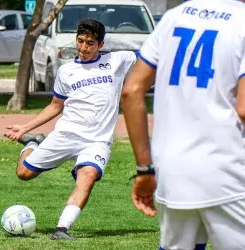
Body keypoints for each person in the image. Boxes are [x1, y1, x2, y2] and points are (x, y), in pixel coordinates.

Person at [121, 0, 245, 249]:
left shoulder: (172, 18)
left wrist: (145, 169)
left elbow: (131, 90)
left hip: (172, 171)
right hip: (229, 172)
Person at [4, 18, 137, 240]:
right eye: (81, 41)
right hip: (65, 134)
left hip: (97, 141)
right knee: (24, 173)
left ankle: (62, 229)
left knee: (88, 175)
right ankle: (32, 142)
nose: (84, 47)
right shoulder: (67, 71)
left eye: (90, 43)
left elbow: (155, 58)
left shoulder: (119, 60)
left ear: (101, 45)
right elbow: (55, 106)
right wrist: (25, 128)